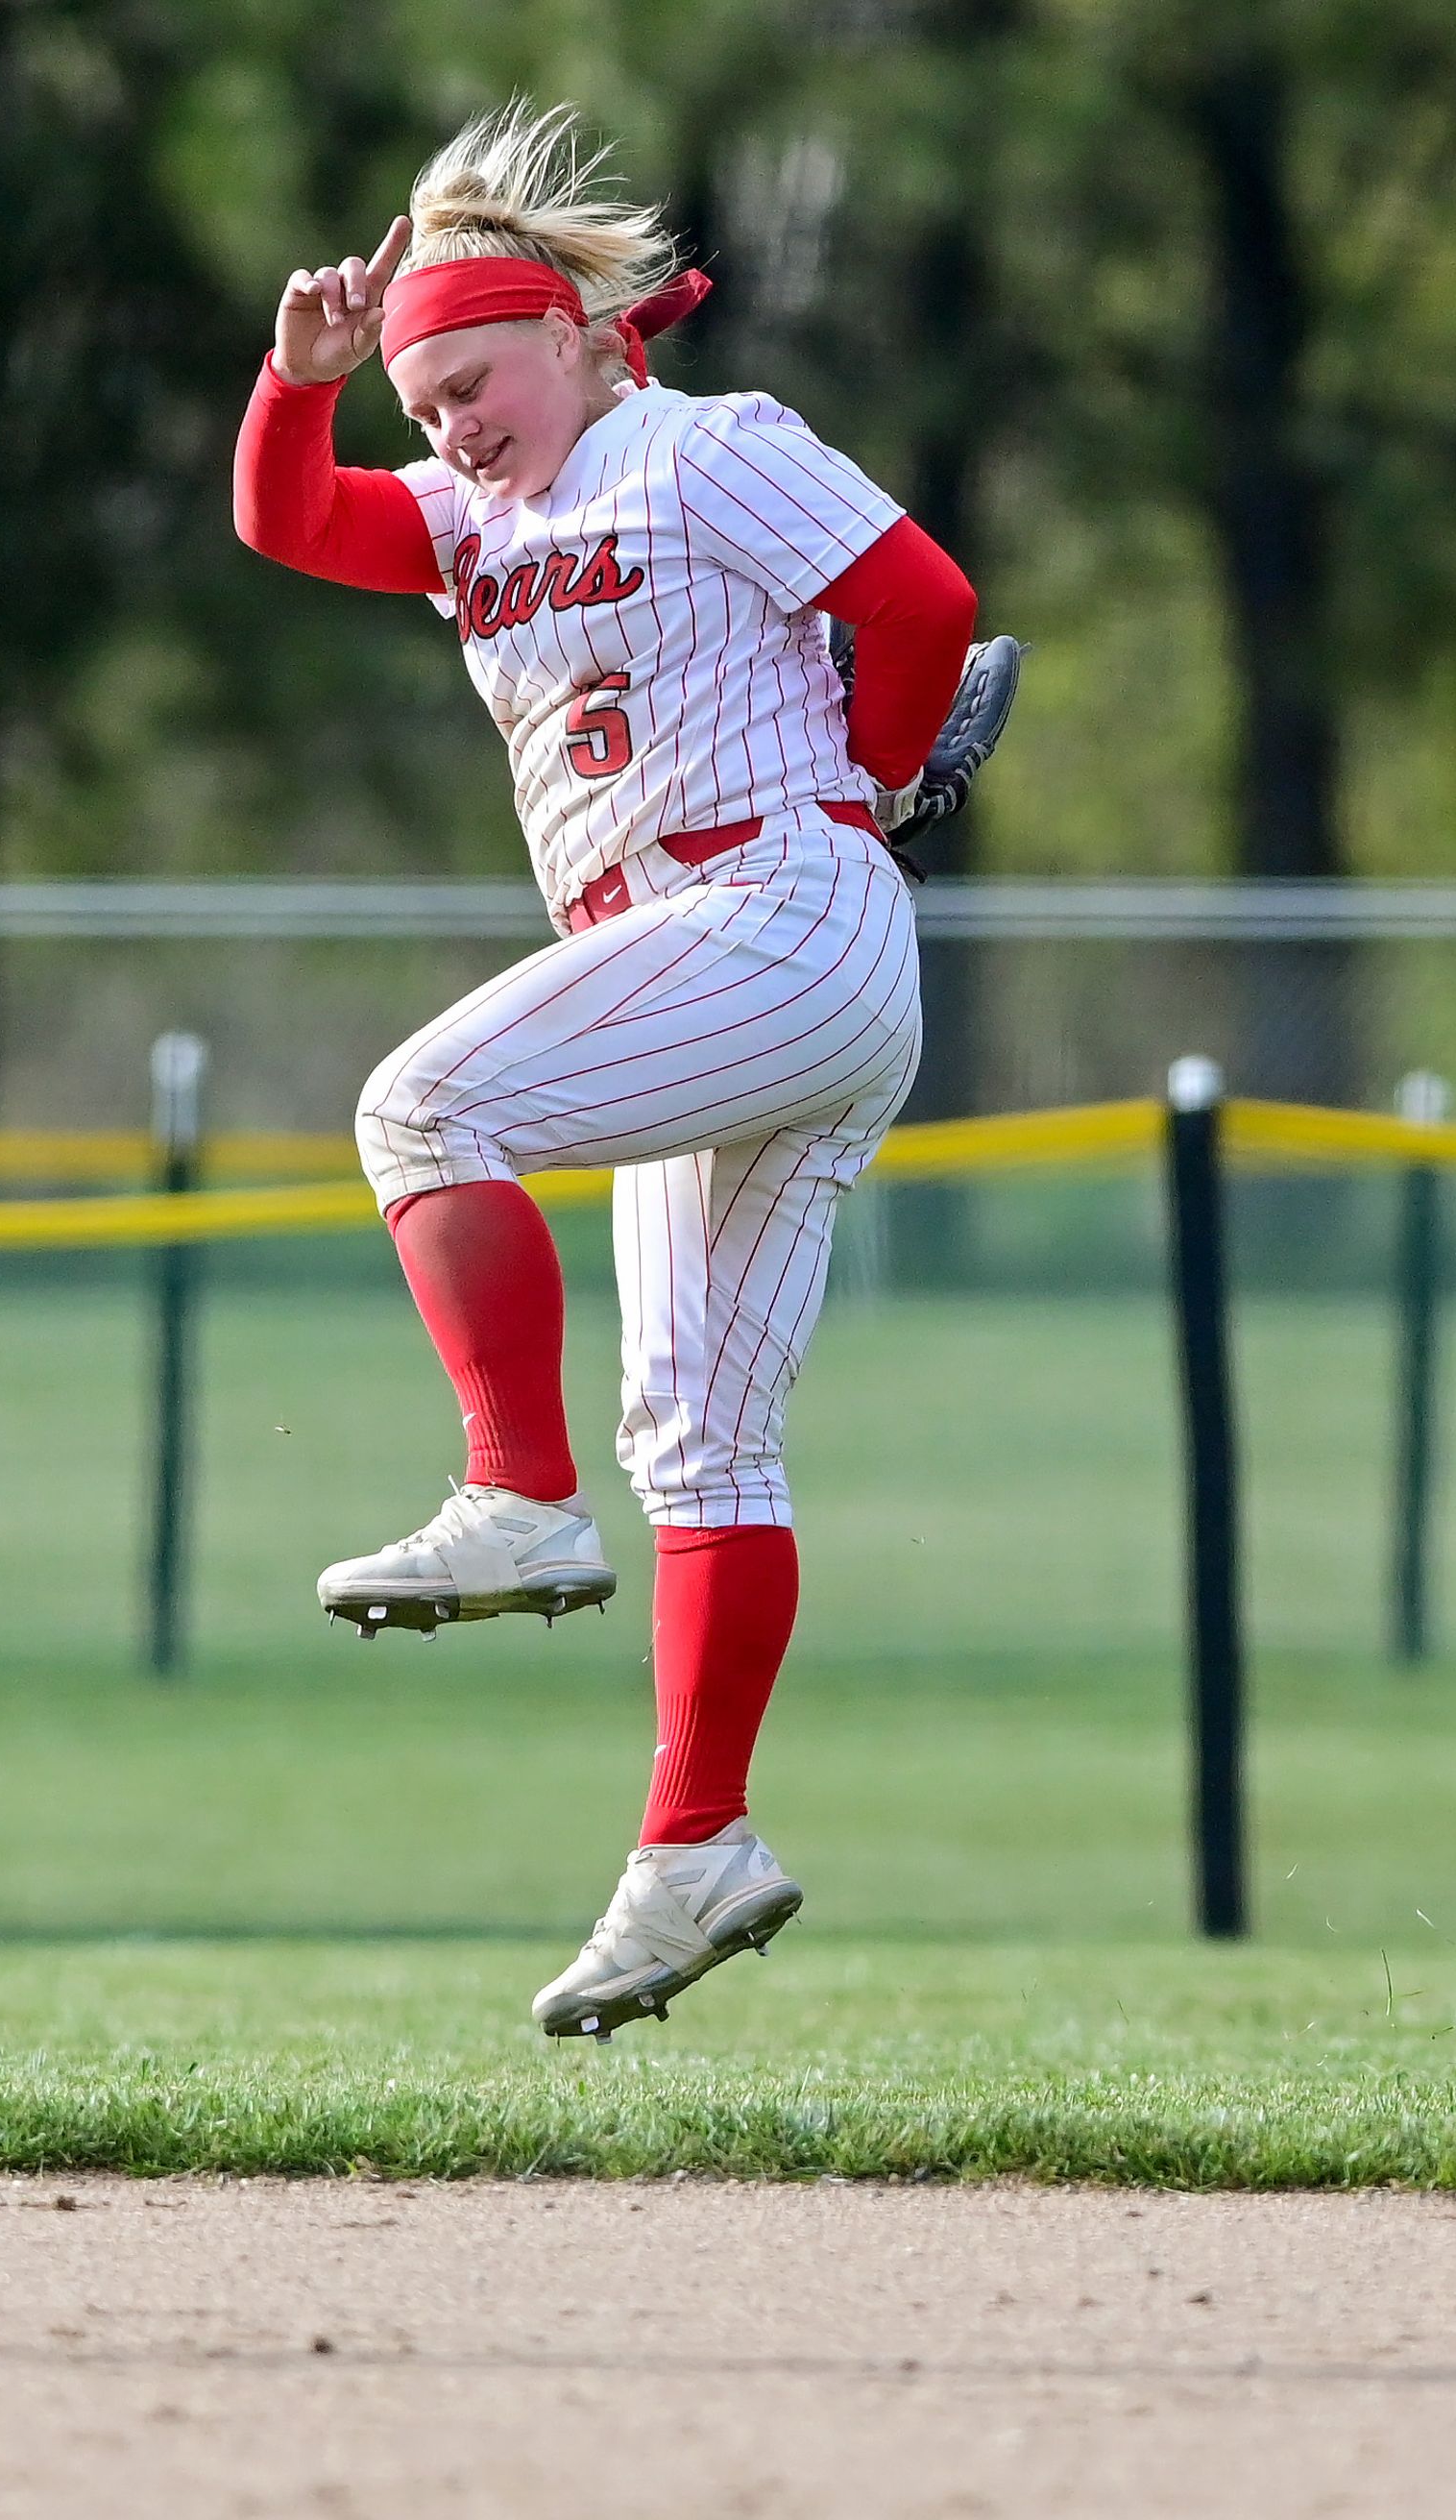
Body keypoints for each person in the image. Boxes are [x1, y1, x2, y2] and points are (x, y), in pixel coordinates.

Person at [233, 105, 999, 2040]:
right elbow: (288, 519)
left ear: (581, 337)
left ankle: (512, 1488)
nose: (454, 426)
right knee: (707, 1447)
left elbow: (920, 605)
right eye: (424, 401)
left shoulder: (703, 444)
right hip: (706, 965)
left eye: (474, 379)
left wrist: (885, 779)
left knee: (420, 1106)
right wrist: (294, 384)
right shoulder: (468, 519)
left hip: (780, 909)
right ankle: (696, 1848)